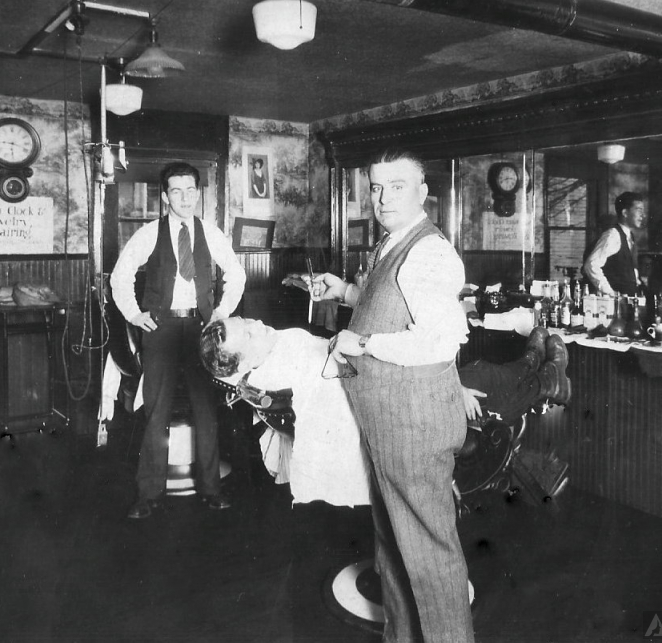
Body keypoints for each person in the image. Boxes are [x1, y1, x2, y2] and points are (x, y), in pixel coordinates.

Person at [307, 150, 476, 643]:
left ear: (423, 193)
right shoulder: (394, 241)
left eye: (396, 187)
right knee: (396, 549)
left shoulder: (429, 252)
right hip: (390, 419)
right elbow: (393, 305)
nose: (382, 198)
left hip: (413, 422)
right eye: (376, 187)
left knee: (428, 556)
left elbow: (440, 342)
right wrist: (345, 293)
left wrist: (362, 343)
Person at [198, 318, 570, 507]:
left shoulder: (266, 364)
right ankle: (544, 379)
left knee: (476, 374)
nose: (256, 324)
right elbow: (365, 381)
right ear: (242, 363)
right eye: (248, 334)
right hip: (391, 416)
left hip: (382, 397)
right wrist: (444, 388)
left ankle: (533, 366)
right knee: (479, 378)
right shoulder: (288, 363)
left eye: (244, 320)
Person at [110, 162, 246, 519]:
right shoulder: (149, 233)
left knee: (206, 409)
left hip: (202, 329)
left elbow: (236, 273)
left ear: (197, 193)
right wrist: (134, 314)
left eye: (189, 191)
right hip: (162, 329)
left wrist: (221, 312)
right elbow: (120, 275)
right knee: (156, 411)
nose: (184, 198)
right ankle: (148, 494)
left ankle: (211, 489)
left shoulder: (210, 232)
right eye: (176, 191)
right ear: (165, 196)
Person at [583, 191, 646, 296]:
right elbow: (591, 265)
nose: (643, 215)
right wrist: (609, 292)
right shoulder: (613, 235)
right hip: (615, 301)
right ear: (625, 213)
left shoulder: (630, 236)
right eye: (639, 210)